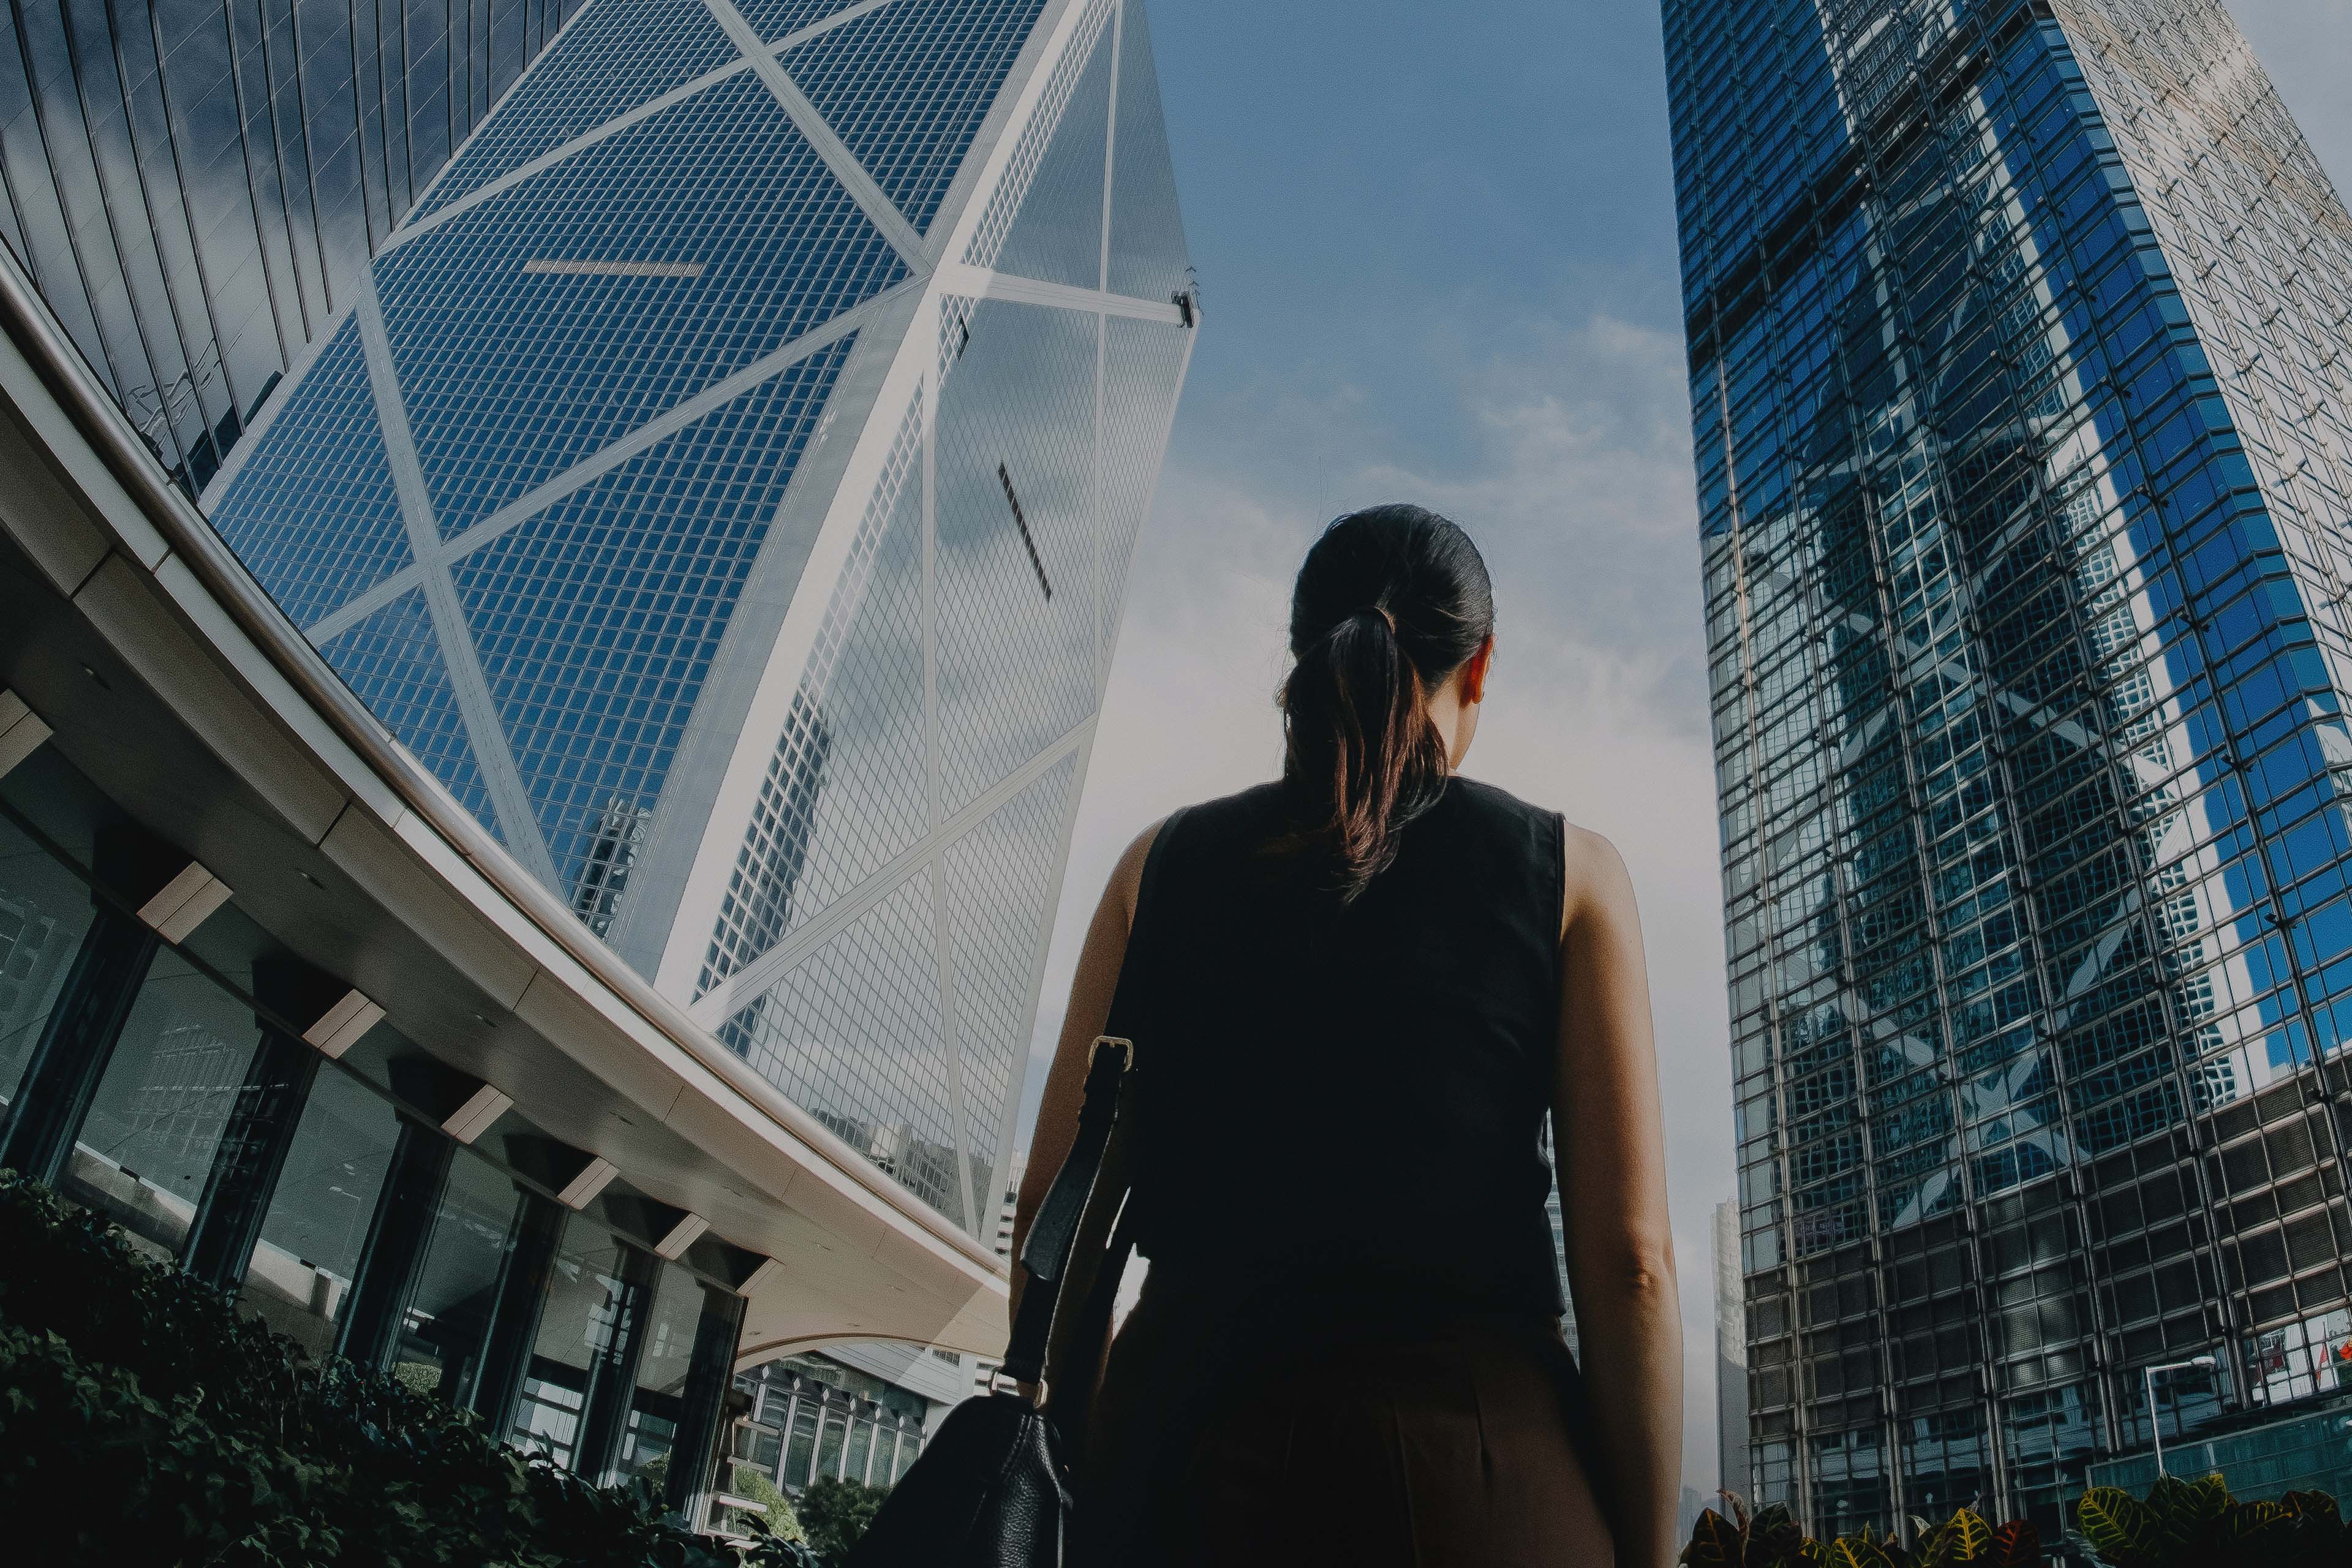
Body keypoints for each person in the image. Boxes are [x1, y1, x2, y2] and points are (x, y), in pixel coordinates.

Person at [1015, 503, 1683, 1567]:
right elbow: (1631, 1264)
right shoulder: (1575, 876)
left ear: (1304, 653)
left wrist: (1076, 1482)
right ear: (1481, 665)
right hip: (1479, 1473)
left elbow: (1058, 1214)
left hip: (1174, 1459)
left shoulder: (1156, 867)